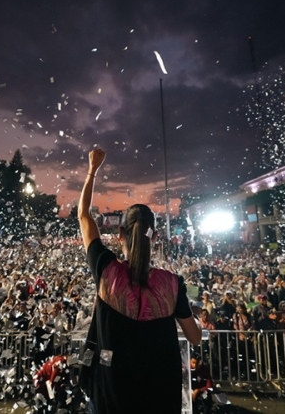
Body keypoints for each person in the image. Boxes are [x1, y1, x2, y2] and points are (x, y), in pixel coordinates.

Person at [78, 148, 201, 414]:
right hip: (160, 396)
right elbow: (195, 337)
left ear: (120, 233)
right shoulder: (172, 283)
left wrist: (92, 170)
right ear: (154, 237)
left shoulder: (106, 270)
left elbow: (84, 216)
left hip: (112, 395)